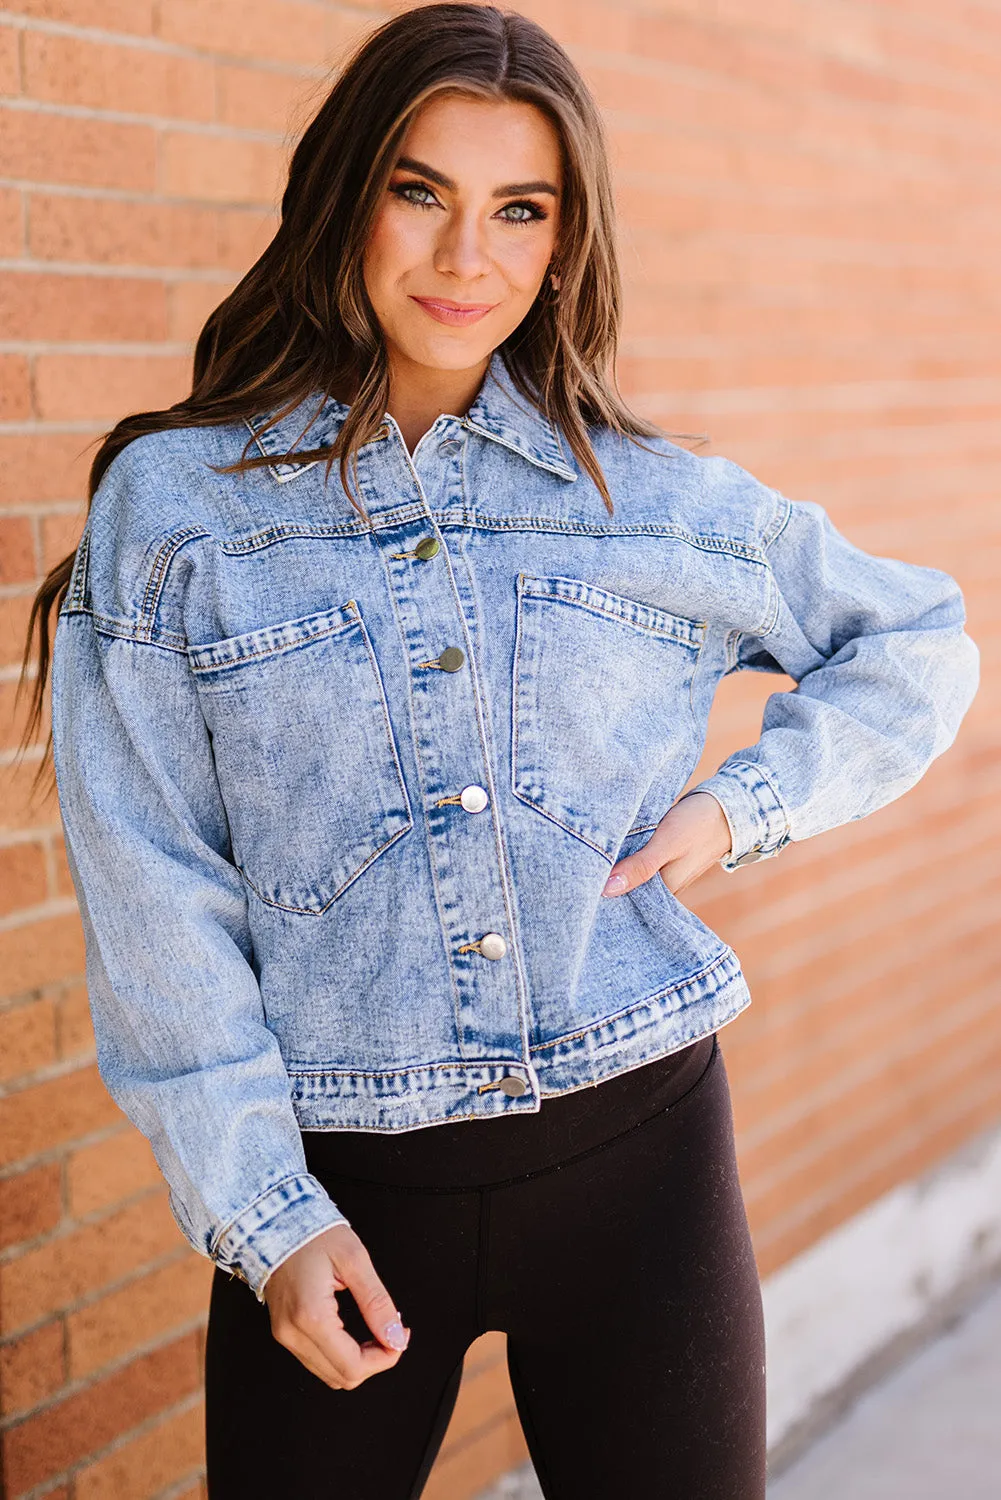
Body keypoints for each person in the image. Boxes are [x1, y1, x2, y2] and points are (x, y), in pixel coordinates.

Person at [21, 5, 979, 1497]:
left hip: (639, 1158)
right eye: (422, 193)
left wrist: (740, 811)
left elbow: (919, 640)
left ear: (563, 240)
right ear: (346, 196)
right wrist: (268, 1219)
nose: (469, 260)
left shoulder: (655, 502)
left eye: (519, 210)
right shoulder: (180, 512)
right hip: (336, 1193)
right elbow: (155, 903)